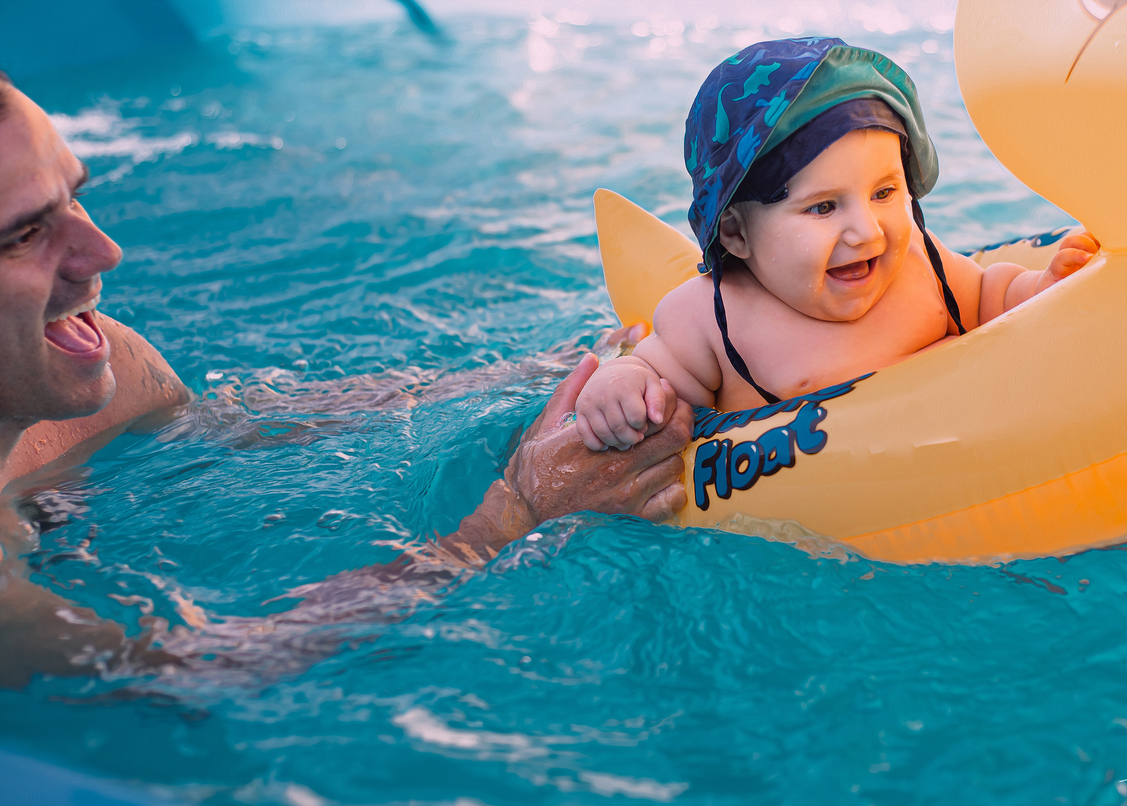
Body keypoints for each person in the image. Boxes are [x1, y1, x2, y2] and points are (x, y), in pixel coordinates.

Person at [0, 75, 692, 686]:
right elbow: (199, 671)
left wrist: (543, 368)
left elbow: (220, 430)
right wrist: (514, 514)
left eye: (77, 196)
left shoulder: (94, 355)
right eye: (25, 235)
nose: (103, 252)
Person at [574, 37, 1101, 451]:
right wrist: (622, 379)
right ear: (735, 232)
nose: (867, 232)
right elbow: (654, 377)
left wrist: (1044, 286)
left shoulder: (920, 259)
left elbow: (991, 296)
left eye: (885, 192)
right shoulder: (712, 320)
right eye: (823, 207)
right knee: (604, 354)